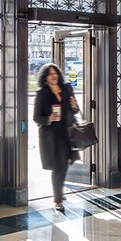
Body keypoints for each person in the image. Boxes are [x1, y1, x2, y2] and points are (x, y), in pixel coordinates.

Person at [33, 63, 78, 213]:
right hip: (52, 136)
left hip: (67, 132)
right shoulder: (42, 94)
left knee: (64, 165)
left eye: (55, 73)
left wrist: (74, 105)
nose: (54, 76)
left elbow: (75, 110)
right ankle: (58, 199)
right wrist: (48, 118)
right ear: (45, 78)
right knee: (58, 167)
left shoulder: (66, 89)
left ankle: (59, 191)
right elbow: (36, 117)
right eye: (50, 74)